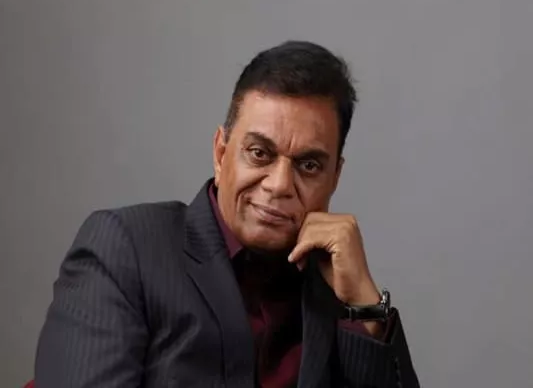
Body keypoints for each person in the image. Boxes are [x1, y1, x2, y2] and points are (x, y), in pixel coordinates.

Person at [34, 40, 419, 387]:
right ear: (221, 154)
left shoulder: (340, 293)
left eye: (309, 166)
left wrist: (366, 303)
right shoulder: (126, 250)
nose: (279, 185)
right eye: (260, 153)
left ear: (335, 177)